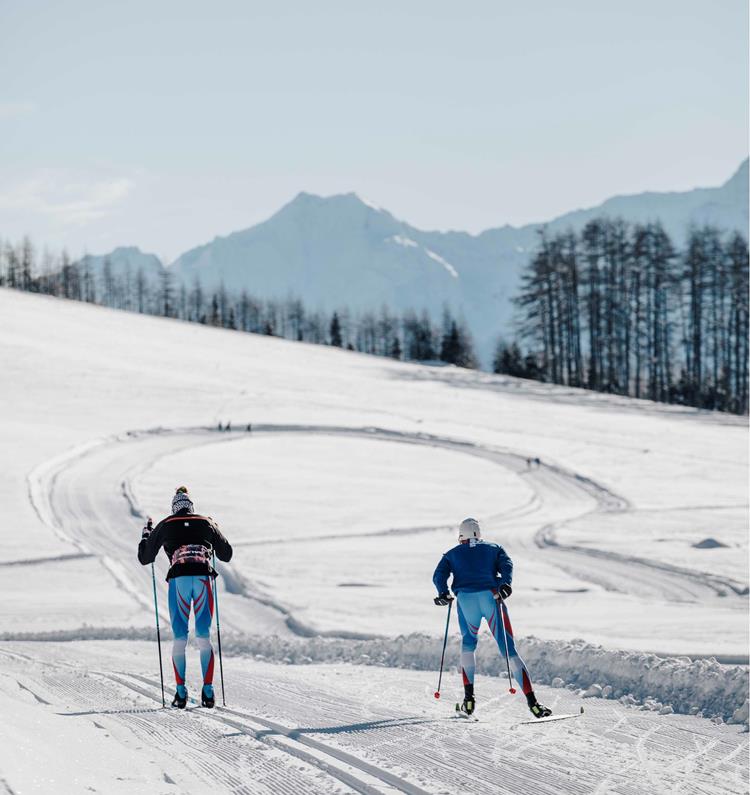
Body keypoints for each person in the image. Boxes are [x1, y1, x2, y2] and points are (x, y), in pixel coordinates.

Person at [432, 517, 551, 719]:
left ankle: (468, 701)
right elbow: (507, 564)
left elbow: (438, 575)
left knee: (468, 644)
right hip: (491, 597)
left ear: (461, 536)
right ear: (479, 534)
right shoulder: (494, 548)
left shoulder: (452, 554)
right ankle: (534, 705)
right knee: (509, 651)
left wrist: (443, 593)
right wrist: (505, 584)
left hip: (466, 600)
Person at [138, 486, 233, 709]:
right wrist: (213, 531)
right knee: (203, 635)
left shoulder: (166, 524)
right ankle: (208, 692)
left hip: (179, 580)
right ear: (191, 507)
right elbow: (226, 554)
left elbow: (145, 558)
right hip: (202, 579)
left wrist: (146, 536)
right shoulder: (206, 522)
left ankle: (180, 694)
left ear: (174, 507)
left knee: (180, 636)